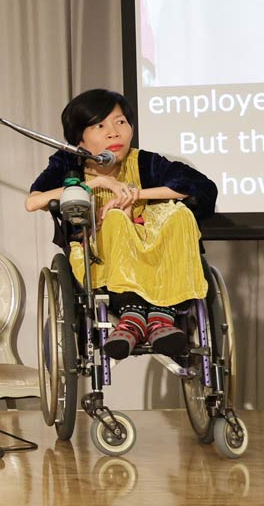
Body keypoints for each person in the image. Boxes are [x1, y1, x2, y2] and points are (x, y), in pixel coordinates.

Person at [26, 88, 217, 359]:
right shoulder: (68, 164)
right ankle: (133, 317)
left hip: (152, 254)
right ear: (80, 138)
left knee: (179, 215)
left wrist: (134, 194)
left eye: (120, 122)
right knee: (115, 218)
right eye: (100, 126)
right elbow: (33, 202)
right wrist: (97, 183)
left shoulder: (144, 162)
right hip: (99, 258)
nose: (114, 133)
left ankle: (161, 318)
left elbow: (201, 187)